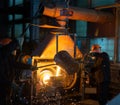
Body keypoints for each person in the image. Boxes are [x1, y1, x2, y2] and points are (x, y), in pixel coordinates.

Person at [0, 37, 37, 105]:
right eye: (14, 49)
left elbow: (14, 64)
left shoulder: (5, 56)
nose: (15, 51)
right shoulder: (2, 56)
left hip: (6, 86)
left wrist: (29, 67)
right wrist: (10, 83)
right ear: (7, 48)